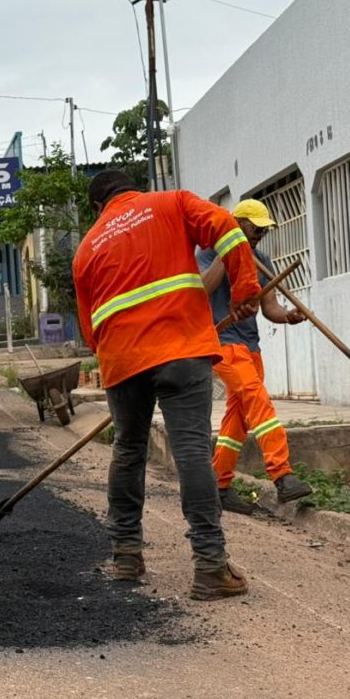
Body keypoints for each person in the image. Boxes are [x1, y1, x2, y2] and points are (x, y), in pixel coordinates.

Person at [73, 170, 261, 601]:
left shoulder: (87, 248)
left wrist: (119, 359)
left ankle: (125, 557)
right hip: (180, 347)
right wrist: (244, 290)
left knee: (128, 449)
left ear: (98, 208)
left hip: (123, 358)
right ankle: (211, 567)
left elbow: (89, 328)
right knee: (192, 449)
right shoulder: (172, 202)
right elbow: (231, 232)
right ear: (132, 189)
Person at [196, 199, 314, 515]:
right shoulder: (207, 253)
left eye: (263, 229)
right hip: (222, 340)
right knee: (256, 397)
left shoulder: (261, 261)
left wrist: (288, 316)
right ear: (237, 223)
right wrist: (227, 252)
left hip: (250, 345)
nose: (260, 233)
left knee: (240, 415)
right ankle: (282, 475)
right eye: (255, 227)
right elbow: (202, 290)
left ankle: (219, 486)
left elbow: (270, 306)